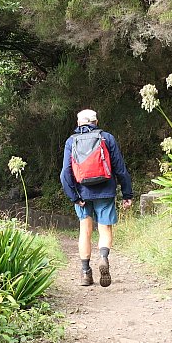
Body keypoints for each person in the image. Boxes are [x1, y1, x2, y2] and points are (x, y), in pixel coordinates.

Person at [60, 109, 134, 287]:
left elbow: (65, 173)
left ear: (79, 123)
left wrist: (74, 197)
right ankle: (103, 257)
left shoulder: (71, 141)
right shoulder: (106, 138)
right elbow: (120, 168)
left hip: (82, 194)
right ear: (96, 121)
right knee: (104, 229)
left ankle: (85, 273)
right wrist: (127, 194)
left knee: (85, 231)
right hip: (105, 191)